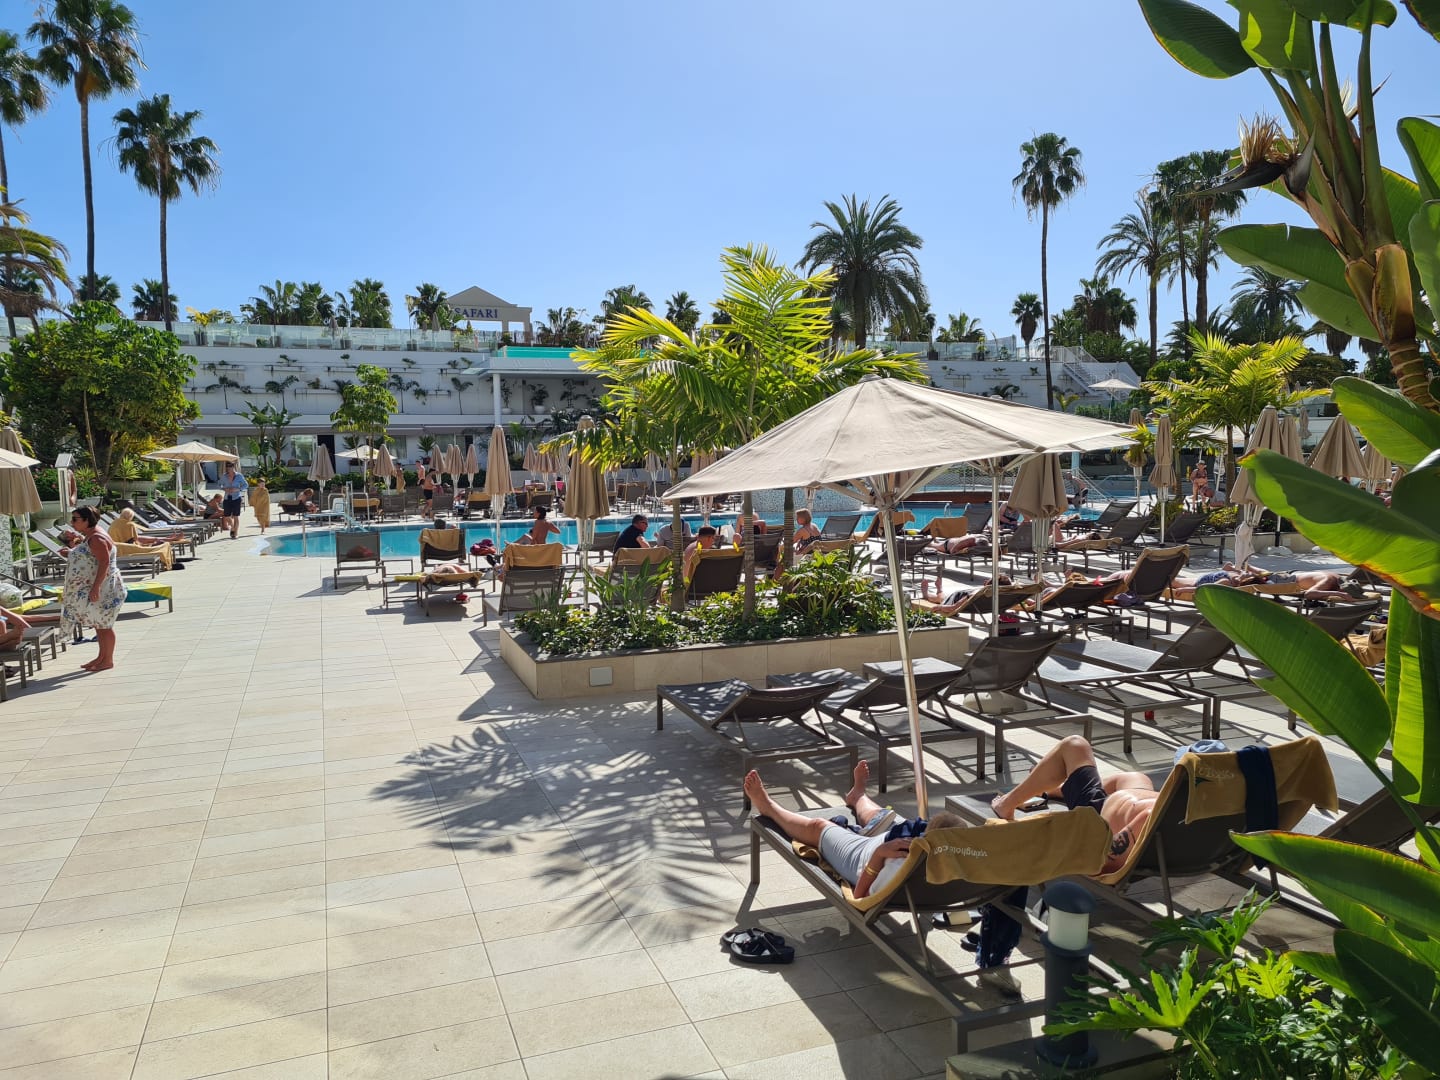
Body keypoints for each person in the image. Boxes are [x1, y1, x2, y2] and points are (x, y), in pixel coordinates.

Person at [743, 761, 963, 901]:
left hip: (864, 856)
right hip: (892, 842)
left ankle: (769, 808)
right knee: (883, 816)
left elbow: (861, 898)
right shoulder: (968, 857)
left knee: (818, 826)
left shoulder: (900, 866)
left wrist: (879, 855)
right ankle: (857, 796)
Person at [990, 734, 1157, 875]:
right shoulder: (1168, 812)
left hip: (1097, 816)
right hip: (1132, 803)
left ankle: (1006, 804)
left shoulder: (1148, 818)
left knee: (1074, 745)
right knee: (1135, 777)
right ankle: (1064, 789)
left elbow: (1104, 864)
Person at [59, 507, 126, 672]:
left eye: (75, 519)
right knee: (99, 623)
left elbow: (104, 563)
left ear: (87, 520)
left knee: (105, 626)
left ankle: (108, 660)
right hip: (103, 586)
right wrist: (72, 551)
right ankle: (101, 657)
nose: (72, 522)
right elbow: (90, 556)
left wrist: (96, 588)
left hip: (106, 587)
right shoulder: (91, 535)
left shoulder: (96, 538)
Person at [219, 462, 247, 539]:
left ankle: (236, 533)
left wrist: (238, 489)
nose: (229, 468)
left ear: (233, 467)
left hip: (236, 498)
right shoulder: (224, 476)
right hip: (227, 498)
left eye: (230, 466)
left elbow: (246, 485)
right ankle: (232, 527)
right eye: (227, 467)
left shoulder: (239, 476)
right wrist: (224, 489)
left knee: (236, 516)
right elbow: (219, 484)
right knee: (227, 516)